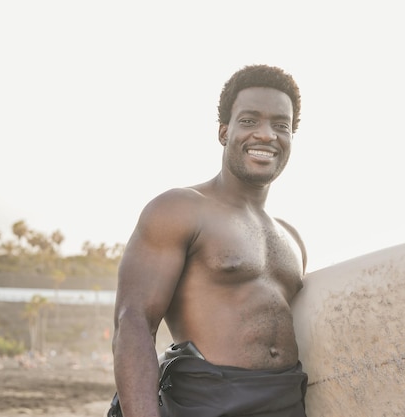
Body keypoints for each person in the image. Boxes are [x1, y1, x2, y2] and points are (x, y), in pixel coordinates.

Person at [111, 64, 309, 417]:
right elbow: (133, 321)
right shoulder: (180, 209)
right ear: (223, 132)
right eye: (249, 121)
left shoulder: (292, 239)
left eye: (281, 125)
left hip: (287, 403)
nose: (266, 135)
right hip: (208, 403)